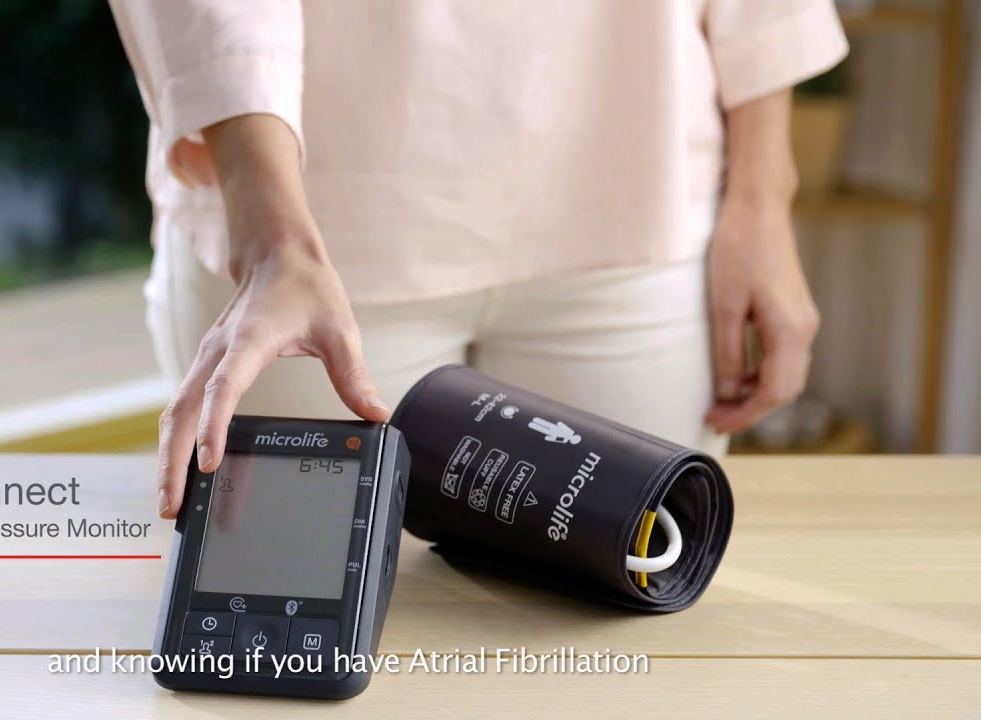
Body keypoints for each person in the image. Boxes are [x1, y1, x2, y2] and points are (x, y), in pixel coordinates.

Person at [111, 1, 849, 519]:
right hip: (314, 239)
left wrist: (764, 197)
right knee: (290, 639)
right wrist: (272, 239)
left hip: (630, 183)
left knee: (627, 633)